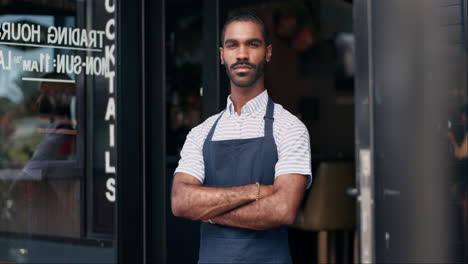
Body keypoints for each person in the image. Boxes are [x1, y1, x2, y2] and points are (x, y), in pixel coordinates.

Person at [171, 11, 312, 263]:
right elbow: (181, 201)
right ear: (221, 55)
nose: (242, 54)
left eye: (252, 44)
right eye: (232, 44)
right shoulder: (201, 132)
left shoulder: (290, 128)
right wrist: (254, 191)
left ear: (267, 53)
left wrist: (208, 212)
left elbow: (282, 210)